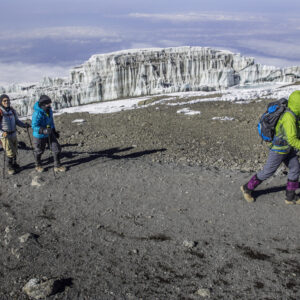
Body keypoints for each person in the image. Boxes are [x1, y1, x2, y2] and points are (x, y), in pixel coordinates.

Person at [241, 90, 300, 205]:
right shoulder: (289, 118)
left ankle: (290, 196)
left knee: (295, 168)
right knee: (268, 172)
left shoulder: (295, 114)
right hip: (278, 149)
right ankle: (247, 188)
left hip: (288, 149)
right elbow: (292, 139)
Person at [31, 95, 66, 173]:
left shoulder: (49, 110)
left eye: (50, 104)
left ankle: (57, 166)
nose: (50, 105)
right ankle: (38, 165)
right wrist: (43, 130)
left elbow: (51, 122)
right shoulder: (37, 113)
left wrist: (54, 131)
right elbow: (34, 126)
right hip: (39, 136)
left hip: (49, 133)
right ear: (43, 104)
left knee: (56, 148)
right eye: (48, 104)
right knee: (39, 151)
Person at [0, 94, 30, 175]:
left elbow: (17, 121)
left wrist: (24, 125)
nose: (7, 102)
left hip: (13, 134)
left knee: (15, 149)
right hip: (5, 136)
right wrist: (2, 133)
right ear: (1, 102)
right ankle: (10, 167)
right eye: (4, 101)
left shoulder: (12, 110)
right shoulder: (0, 111)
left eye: (8, 100)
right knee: (9, 152)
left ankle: (15, 164)